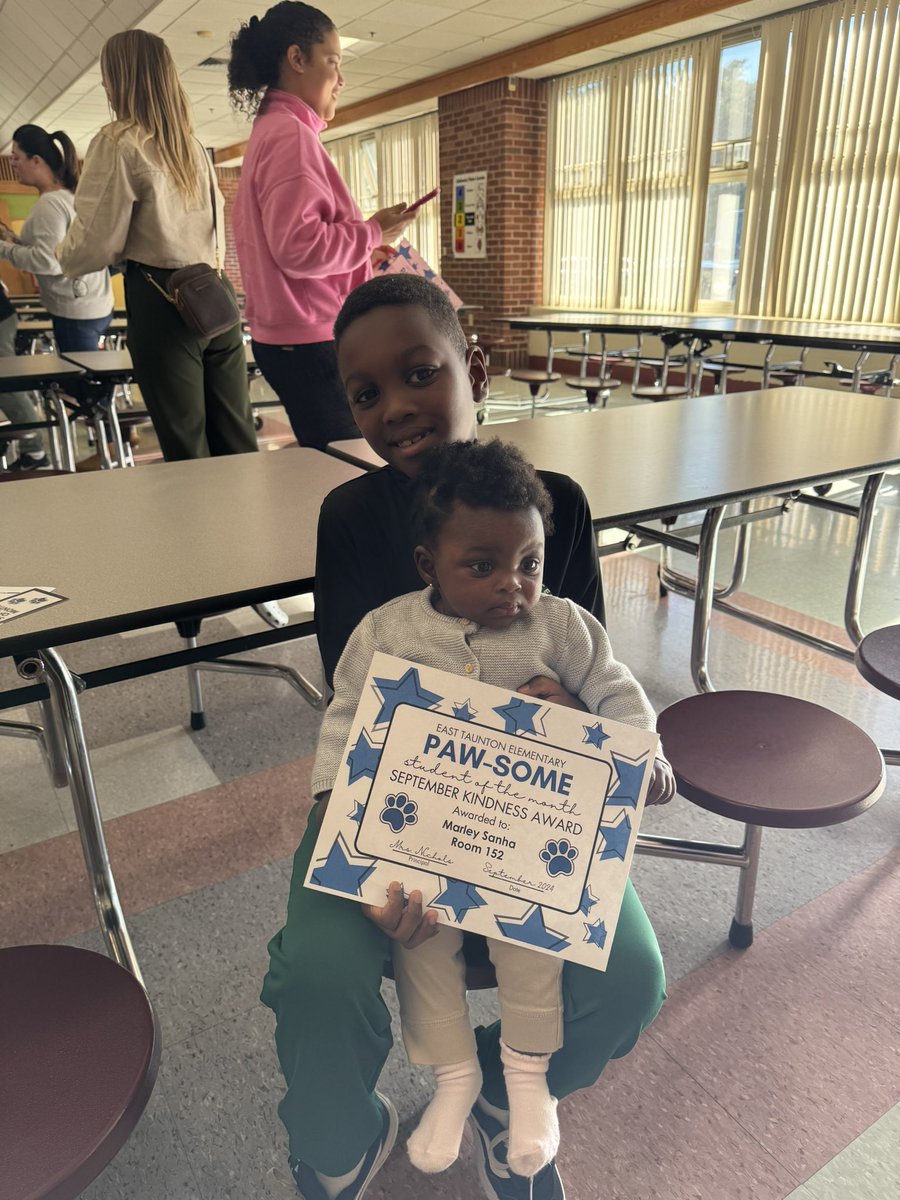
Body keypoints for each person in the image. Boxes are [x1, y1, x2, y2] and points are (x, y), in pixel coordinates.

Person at [261, 274, 664, 1200]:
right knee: (316, 974)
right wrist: (369, 860)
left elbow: (592, 685)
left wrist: (581, 720)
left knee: (631, 977)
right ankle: (340, 1137)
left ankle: (499, 1094)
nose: (396, 408)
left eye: (419, 373)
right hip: (394, 815)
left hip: (529, 815)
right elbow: (352, 708)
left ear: (470, 365)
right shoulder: (353, 521)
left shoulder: (550, 503)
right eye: (366, 394)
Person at [313, 438, 671, 1182]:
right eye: (483, 567)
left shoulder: (563, 627)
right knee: (422, 937)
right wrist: (340, 814)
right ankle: (454, 1081)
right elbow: (345, 722)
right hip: (422, 840)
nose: (513, 585)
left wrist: (645, 755)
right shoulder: (388, 629)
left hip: (528, 839)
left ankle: (525, 1079)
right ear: (428, 566)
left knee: (535, 934)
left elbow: (617, 692)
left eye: (530, 564)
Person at [57, 31, 258, 462]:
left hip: (163, 297)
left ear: (120, 77)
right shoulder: (193, 146)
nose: (106, 87)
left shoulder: (118, 141)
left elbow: (94, 243)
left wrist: (63, 257)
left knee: (187, 444)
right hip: (215, 292)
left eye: (107, 76)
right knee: (237, 437)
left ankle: (203, 530)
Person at [227, 2, 415, 450]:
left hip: (292, 337)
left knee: (332, 461)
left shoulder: (272, 130)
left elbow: (290, 243)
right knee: (350, 463)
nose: (341, 79)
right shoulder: (290, 135)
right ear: (297, 59)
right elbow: (300, 249)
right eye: (332, 61)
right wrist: (372, 233)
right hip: (309, 338)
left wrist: (366, 243)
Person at [0, 124, 115, 467]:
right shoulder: (68, 197)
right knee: (88, 385)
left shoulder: (49, 205)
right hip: (93, 303)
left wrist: (4, 250)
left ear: (37, 160)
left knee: (85, 392)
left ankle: (109, 453)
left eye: (17, 158)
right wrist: (15, 245)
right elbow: (58, 252)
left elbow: (49, 262)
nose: (14, 164)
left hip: (76, 308)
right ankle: (111, 445)